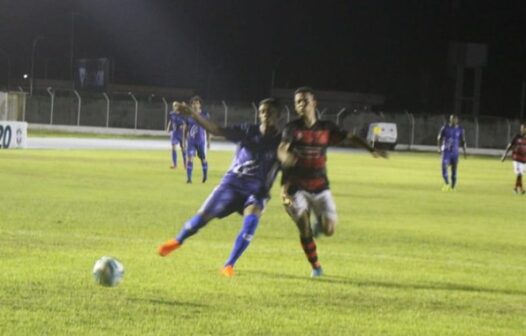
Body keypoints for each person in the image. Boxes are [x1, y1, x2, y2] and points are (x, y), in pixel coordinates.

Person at [158, 98, 282, 277]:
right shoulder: (248, 131)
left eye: (270, 112)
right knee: (202, 218)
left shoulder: (282, 141)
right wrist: (193, 114)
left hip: (257, 191)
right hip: (232, 184)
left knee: (252, 220)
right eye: (262, 111)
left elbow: (288, 164)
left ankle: (229, 265)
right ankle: (176, 241)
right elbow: (216, 129)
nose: (265, 115)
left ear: (278, 115)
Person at [278, 87, 386, 277]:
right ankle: (316, 267)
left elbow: (350, 137)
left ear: (314, 103)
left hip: (320, 186)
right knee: (304, 226)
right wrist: (285, 156)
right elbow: (282, 148)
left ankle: (320, 223)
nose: (302, 104)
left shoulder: (326, 128)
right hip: (296, 187)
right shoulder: (292, 128)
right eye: (298, 102)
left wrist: (371, 149)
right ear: (296, 107)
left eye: (305, 100)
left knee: (329, 230)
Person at [437, 114, 467, 191]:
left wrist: (464, 151)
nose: (453, 120)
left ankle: (453, 187)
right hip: (446, 152)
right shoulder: (445, 128)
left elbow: (463, 141)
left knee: (454, 171)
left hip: (455, 153)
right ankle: (447, 183)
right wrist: (439, 148)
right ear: (450, 119)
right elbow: (439, 138)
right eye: (452, 119)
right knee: (444, 167)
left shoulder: (460, 129)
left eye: (455, 119)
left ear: (457, 120)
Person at [185, 96, 211, 183]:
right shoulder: (189, 116)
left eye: (197, 103)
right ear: (191, 105)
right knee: (190, 158)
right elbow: (186, 129)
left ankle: (205, 176)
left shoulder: (204, 115)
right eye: (193, 103)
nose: (195, 105)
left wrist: (209, 141)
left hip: (201, 142)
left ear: (200, 105)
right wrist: (184, 140)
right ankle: (189, 179)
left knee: (203, 159)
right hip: (191, 142)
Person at [501, 123, 526, 194]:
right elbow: (510, 145)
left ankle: (516, 189)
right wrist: (504, 155)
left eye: (523, 128)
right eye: (521, 128)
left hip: (523, 159)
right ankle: (519, 189)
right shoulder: (517, 137)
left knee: (520, 174)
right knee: (519, 174)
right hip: (516, 158)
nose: (522, 129)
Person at [166, 101, 187, 169]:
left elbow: (184, 124)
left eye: (175, 106)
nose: (174, 107)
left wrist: (183, 136)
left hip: (181, 133)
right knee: (173, 148)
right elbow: (170, 121)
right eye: (173, 106)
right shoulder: (172, 114)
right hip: (174, 133)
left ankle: (185, 164)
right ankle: (175, 164)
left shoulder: (182, 115)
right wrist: (168, 128)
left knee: (183, 149)